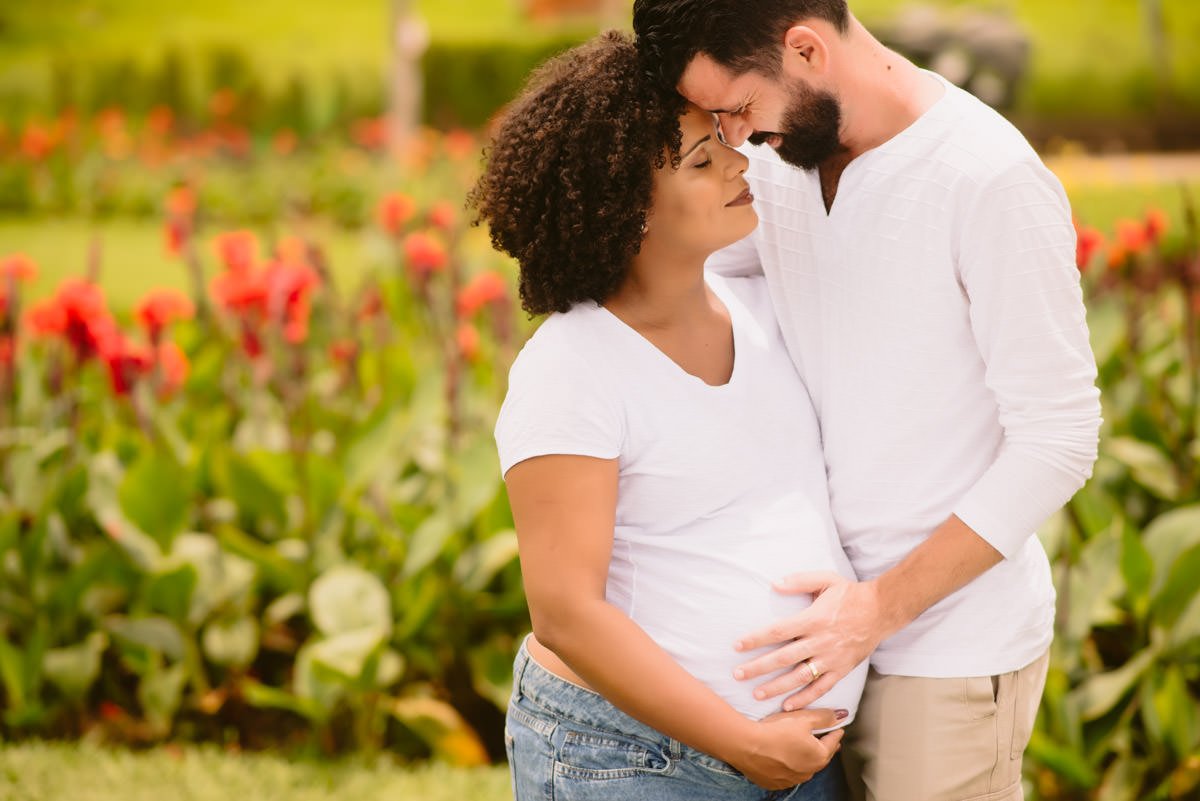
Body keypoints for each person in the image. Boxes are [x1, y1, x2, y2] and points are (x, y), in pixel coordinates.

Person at [632, 2, 1102, 800]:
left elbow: (1059, 438)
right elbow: (708, 281)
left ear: (807, 49)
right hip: (815, 649)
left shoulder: (989, 178)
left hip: (946, 653)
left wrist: (876, 609)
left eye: (740, 108)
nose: (735, 138)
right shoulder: (780, 163)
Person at [469, 30, 867, 801]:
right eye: (701, 161)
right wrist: (748, 743)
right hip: (632, 760)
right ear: (628, 209)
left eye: (727, 145)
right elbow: (566, 614)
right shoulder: (572, 367)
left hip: (792, 761)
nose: (739, 165)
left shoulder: (756, 310)